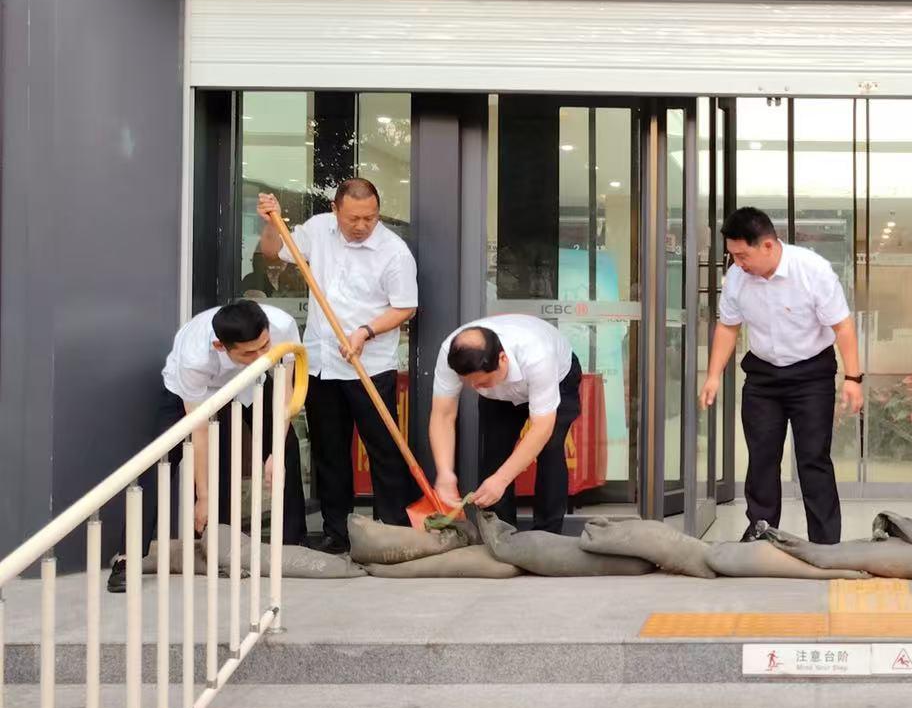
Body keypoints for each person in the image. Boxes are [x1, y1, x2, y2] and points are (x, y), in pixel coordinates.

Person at [256, 182, 417, 554]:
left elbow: (405, 306)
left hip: (369, 366)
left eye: (370, 218)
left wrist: (365, 331)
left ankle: (391, 531)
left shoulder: (394, 252)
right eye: (353, 218)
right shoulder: (317, 230)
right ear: (335, 210)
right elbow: (273, 251)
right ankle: (337, 533)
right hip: (321, 364)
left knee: (384, 450)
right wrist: (271, 220)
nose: (362, 226)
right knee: (329, 453)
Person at [117, 300, 307, 592]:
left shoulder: (282, 325)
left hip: (250, 381)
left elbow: (285, 392)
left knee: (286, 451)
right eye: (249, 352)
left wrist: (276, 452)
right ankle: (127, 559)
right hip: (194, 391)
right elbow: (200, 429)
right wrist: (202, 496)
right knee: (158, 462)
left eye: (264, 346)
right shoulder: (194, 356)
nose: (260, 355)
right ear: (221, 346)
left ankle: (292, 545)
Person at [699, 207, 862, 545]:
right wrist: (713, 375)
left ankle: (826, 544)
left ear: (768, 246)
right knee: (761, 458)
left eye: (743, 255)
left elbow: (842, 326)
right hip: (763, 376)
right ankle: (761, 535)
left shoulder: (812, 270)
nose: (738, 263)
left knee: (813, 459)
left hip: (812, 374)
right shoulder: (737, 278)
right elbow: (728, 327)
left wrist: (853, 378)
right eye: (732, 256)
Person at [428, 315, 584, 534]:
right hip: (500, 395)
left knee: (550, 449)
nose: (476, 388)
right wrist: (445, 473)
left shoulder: (538, 354)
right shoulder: (451, 352)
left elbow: (542, 428)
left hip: (557, 378)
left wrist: (502, 480)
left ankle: (547, 535)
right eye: (468, 383)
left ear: (502, 359)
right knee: (495, 451)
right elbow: (443, 415)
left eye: (482, 382)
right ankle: (501, 533)